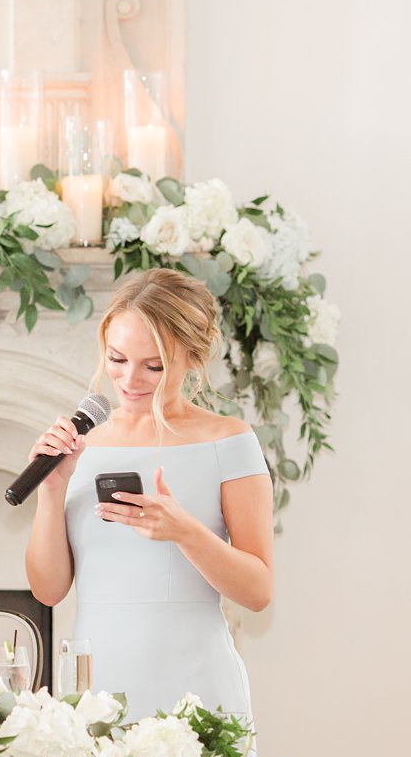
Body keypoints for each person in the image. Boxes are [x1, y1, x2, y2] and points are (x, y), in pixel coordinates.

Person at [23, 267, 273, 722]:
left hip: (198, 691)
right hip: (95, 690)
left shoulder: (229, 442)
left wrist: (186, 532)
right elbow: (48, 589)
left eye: (153, 365)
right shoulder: (82, 443)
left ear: (193, 359)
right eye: (116, 359)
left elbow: (258, 591)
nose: (130, 379)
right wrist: (52, 492)